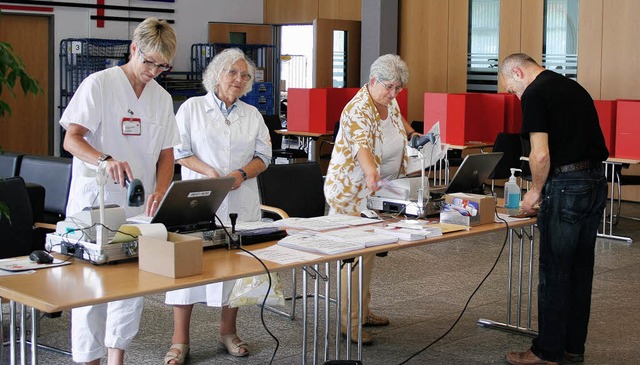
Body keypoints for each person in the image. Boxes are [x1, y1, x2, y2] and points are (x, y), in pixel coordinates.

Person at [59, 17, 179, 365]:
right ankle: (88, 359)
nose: (154, 71)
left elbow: (166, 155)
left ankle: (117, 358)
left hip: (138, 206)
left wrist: (160, 190)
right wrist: (104, 159)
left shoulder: (161, 98)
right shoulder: (99, 85)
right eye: (149, 62)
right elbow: (72, 138)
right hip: (95, 203)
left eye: (162, 65)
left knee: (131, 287)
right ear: (133, 50)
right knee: (91, 288)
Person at [163, 47, 272, 365]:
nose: (238, 79)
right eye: (232, 72)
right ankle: (179, 340)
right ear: (216, 74)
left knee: (234, 267)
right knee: (187, 269)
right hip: (197, 199)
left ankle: (228, 330)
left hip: (240, 198)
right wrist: (209, 173)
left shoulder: (251, 115)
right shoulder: (191, 108)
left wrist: (240, 174)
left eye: (244, 75)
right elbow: (178, 150)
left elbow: (264, 156)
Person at [499, 53, 608, 365]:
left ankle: (546, 352)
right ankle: (573, 347)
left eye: (512, 89)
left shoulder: (535, 93)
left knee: (555, 271)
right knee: (580, 270)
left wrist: (534, 191)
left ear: (518, 72)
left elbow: (541, 154)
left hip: (567, 185)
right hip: (594, 182)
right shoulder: (572, 88)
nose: (515, 96)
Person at [324, 54, 417, 345]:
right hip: (352, 192)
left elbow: (397, 120)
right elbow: (361, 145)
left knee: (369, 255)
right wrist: (371, 173)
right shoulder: (357, 109)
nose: (393, 94)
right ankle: (349, 324)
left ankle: (362, 312)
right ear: (373, 81)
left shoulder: (389, 99)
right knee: (352, 259)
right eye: (389, 87)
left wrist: (413, 133)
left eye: (398, 89)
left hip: (377, 193)